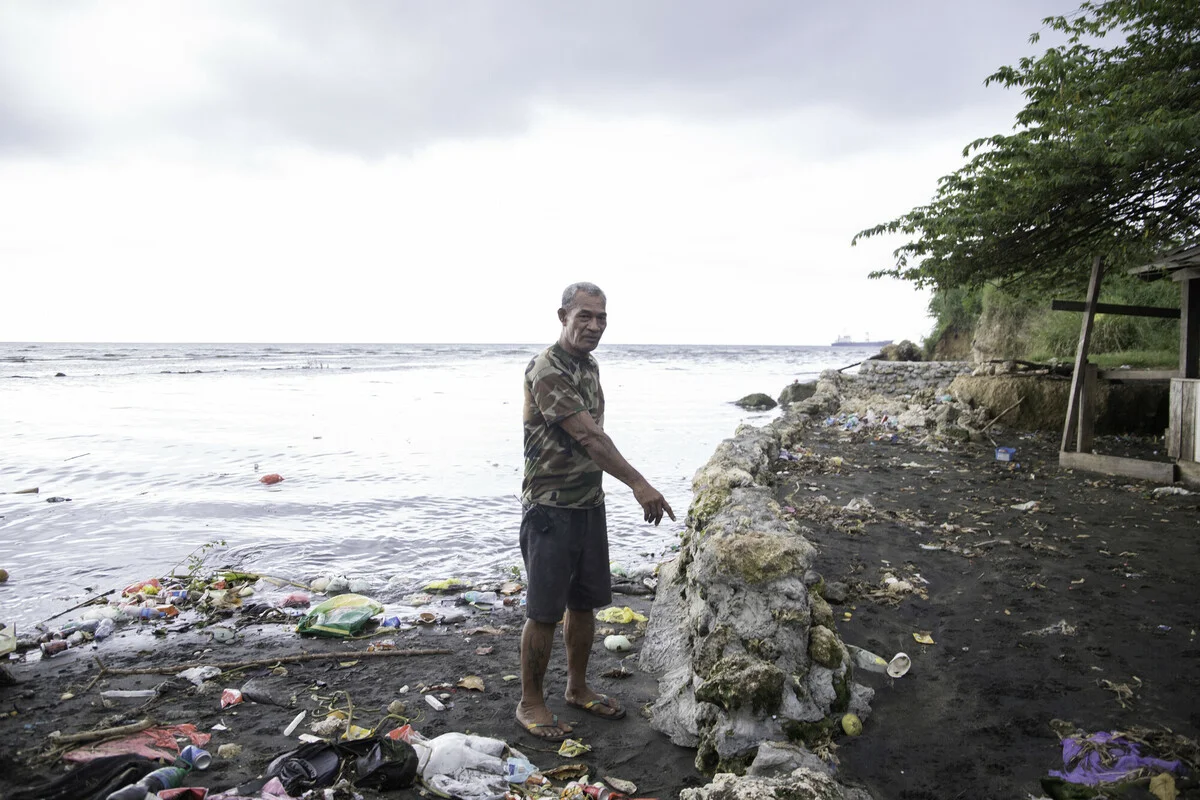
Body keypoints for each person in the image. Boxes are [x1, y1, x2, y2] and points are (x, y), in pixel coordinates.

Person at [516, 281, 675, 740]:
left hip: (588, 504)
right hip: (550, 509)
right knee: (544, 611)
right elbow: (589, 436)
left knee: (584, 604)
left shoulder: (589, 365)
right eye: (584, 315)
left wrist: (614, 487)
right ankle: (530, 702)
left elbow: (594, 439)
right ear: (562, 316)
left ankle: (578, 688)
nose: (594, 325)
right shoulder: (547, 368)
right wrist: (639, 483)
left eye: (601, 317)